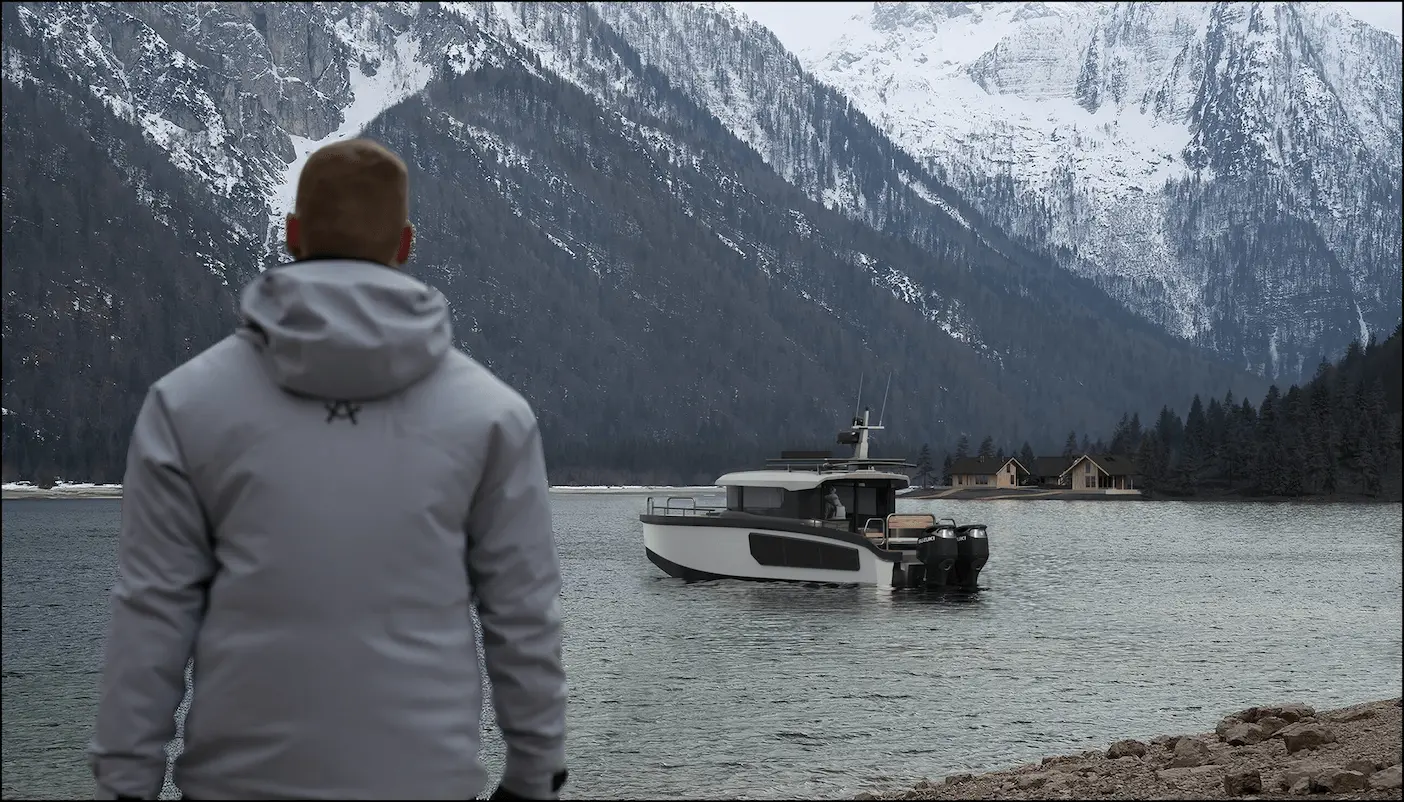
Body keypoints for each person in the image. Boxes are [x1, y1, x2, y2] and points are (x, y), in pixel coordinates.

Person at [87, 139, 567, 801]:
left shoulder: (186, 403)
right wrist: (535, 774)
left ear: (292, 236)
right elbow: (523, 615)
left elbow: (152, 611)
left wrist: (125, 781)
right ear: (405, 244)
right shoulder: (493, 416)